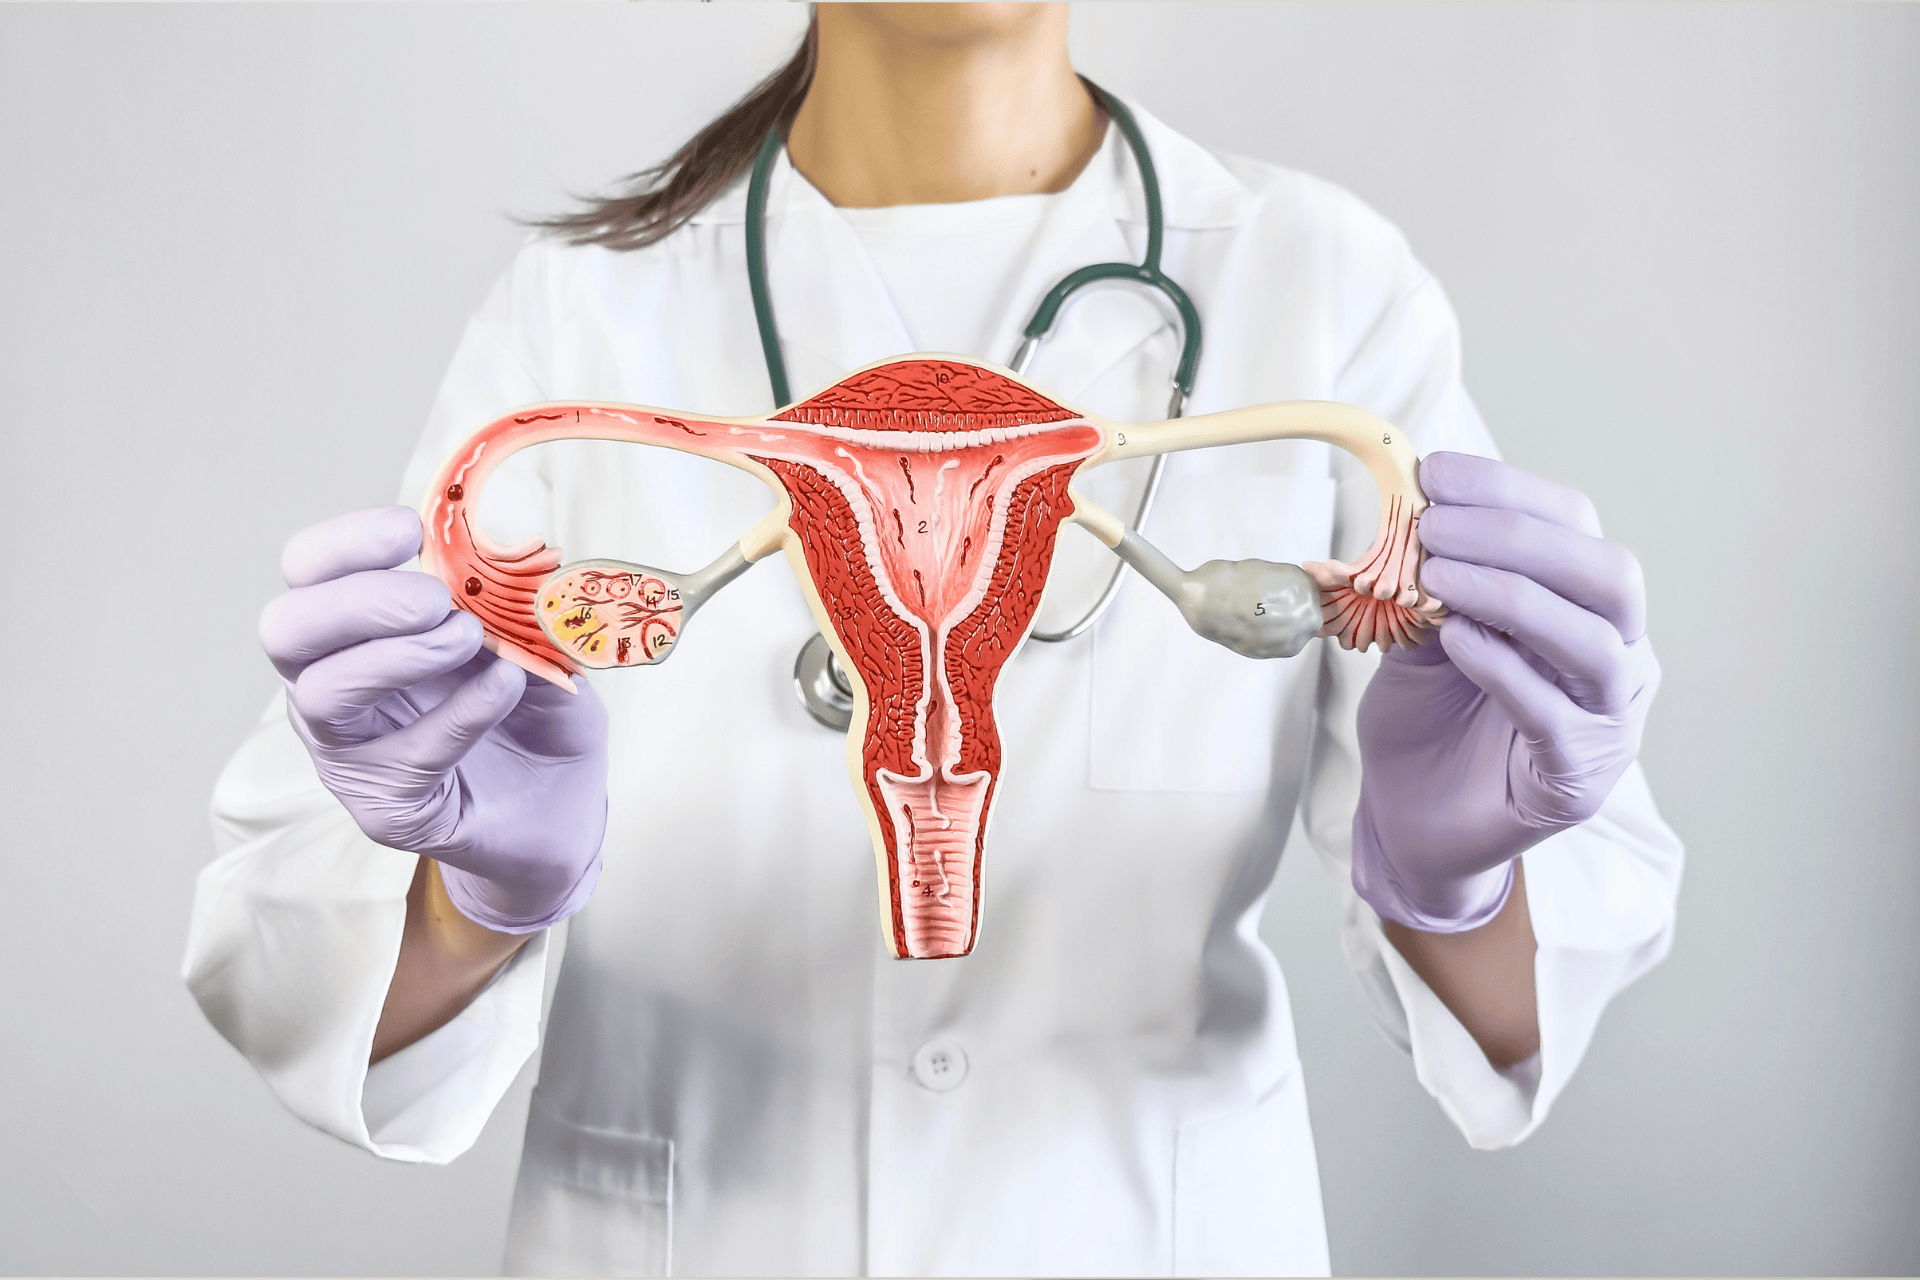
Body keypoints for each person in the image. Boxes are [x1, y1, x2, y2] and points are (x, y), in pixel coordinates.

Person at [186, 5, 1681, 1275]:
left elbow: (1534, 982)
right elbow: (299, 955)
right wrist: (466, 897)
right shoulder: (580, 318)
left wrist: (1456, 879)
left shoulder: (1324, 287)